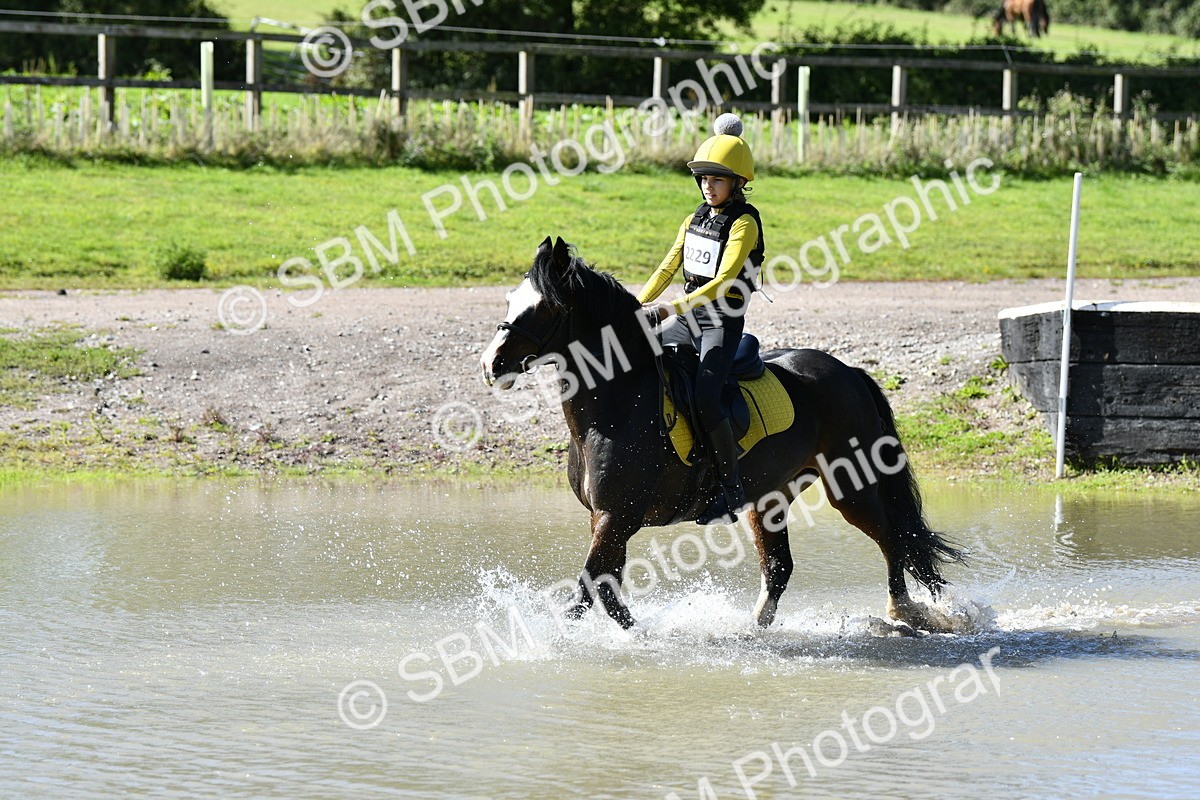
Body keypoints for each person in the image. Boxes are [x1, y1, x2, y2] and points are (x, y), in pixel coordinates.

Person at [639, 113, 765, 525]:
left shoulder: (744, 223)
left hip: (719, 325)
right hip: (688, 320)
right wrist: (635, 306)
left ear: (738, 184)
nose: (708, 186)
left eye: (717, 179)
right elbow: (665, 269)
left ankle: (731, 491)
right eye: (704, 179)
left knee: (709, 398)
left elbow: (725, 281)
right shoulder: (694, 219)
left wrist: (668, 309)